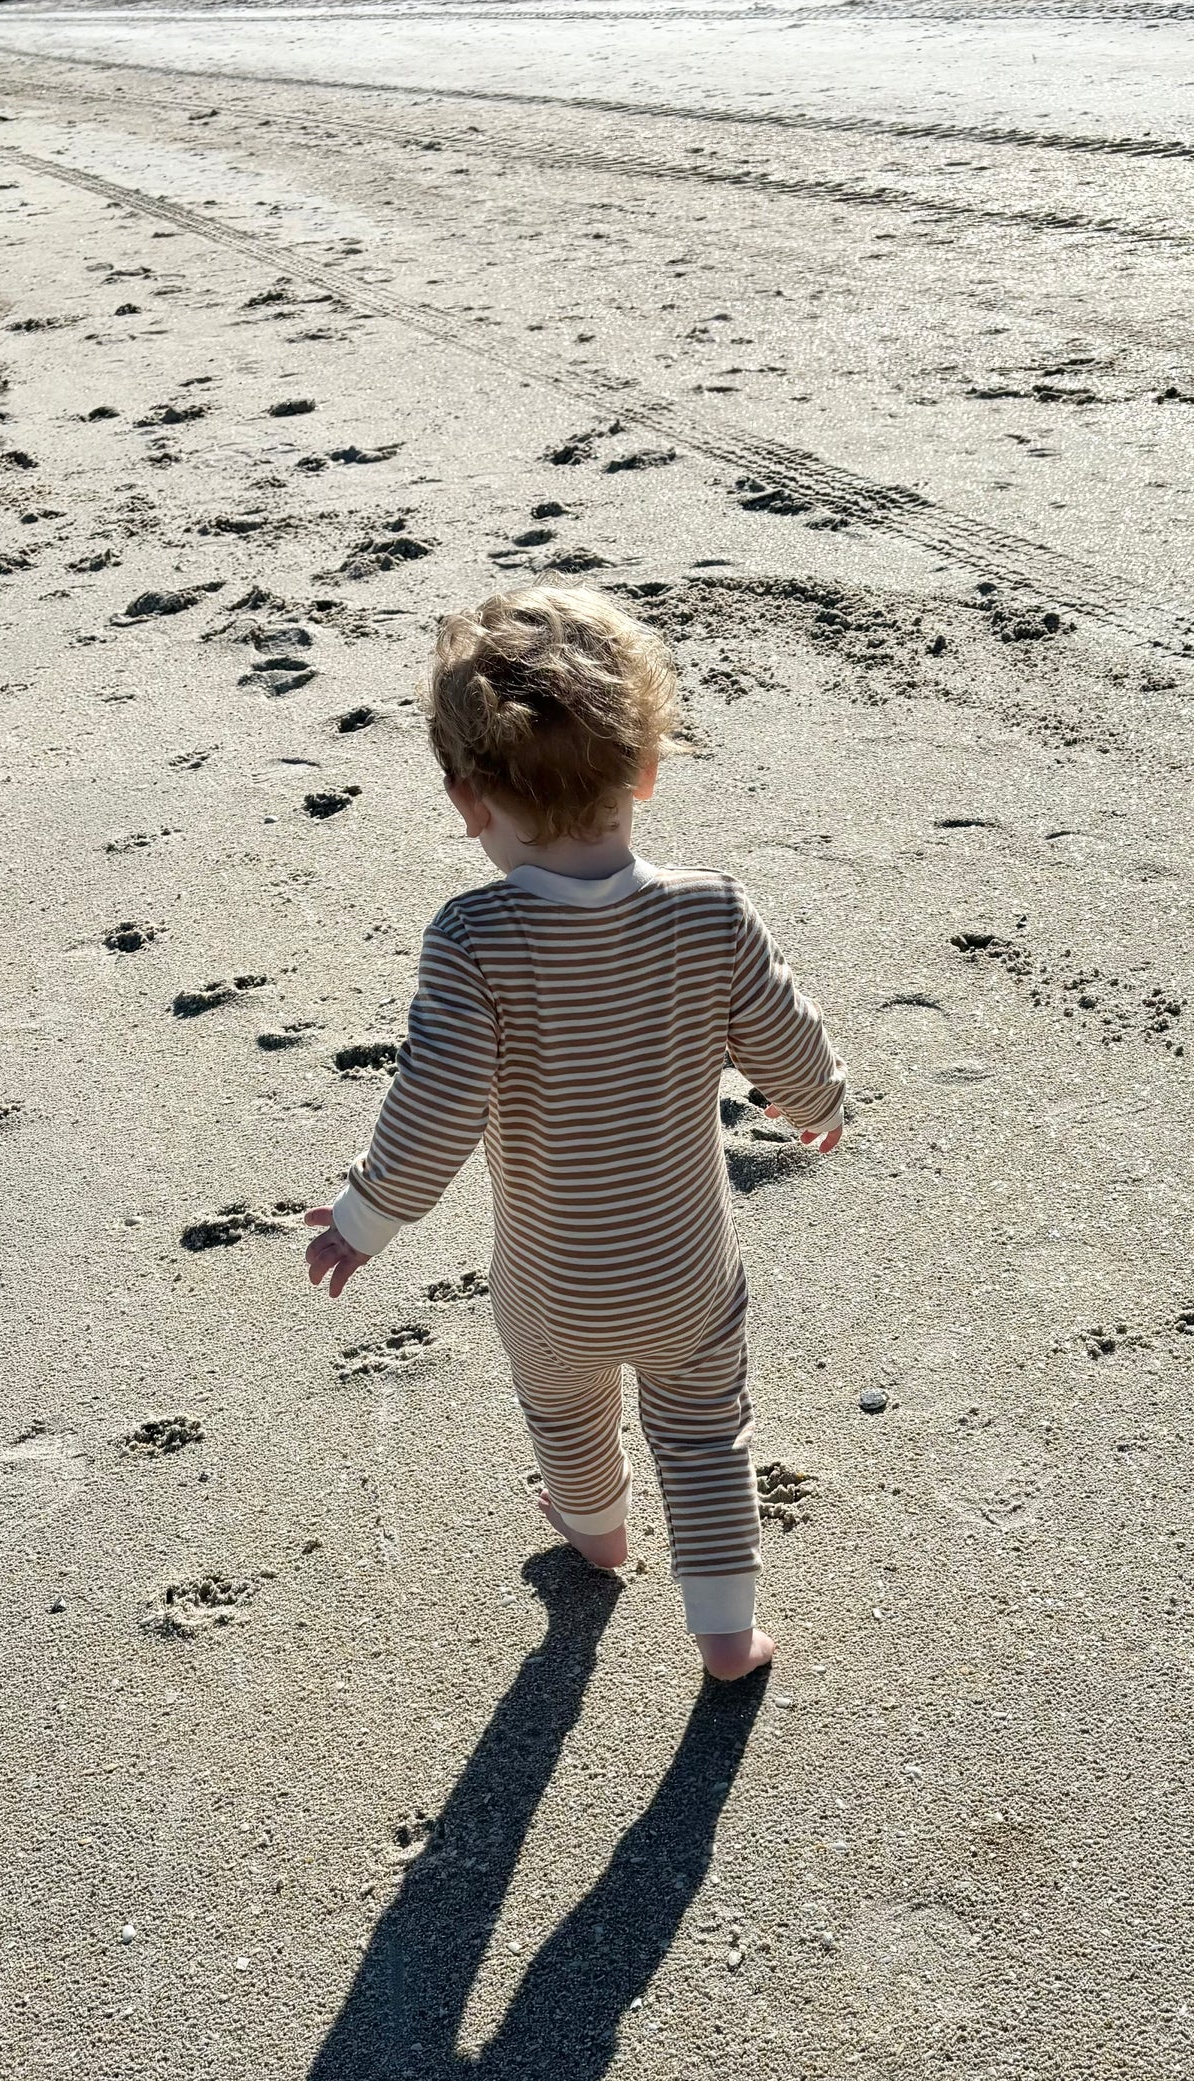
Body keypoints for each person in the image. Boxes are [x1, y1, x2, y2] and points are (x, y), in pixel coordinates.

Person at [304, 587, 845, 1680]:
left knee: (564, 1410)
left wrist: (362, 1217)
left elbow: (432, 1105)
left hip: (550, 1283)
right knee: (704, 1436)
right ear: (645, 769)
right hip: (687, 1274)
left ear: (466, 801)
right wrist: (819, 1104)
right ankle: (726, 1635)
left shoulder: (474, 937)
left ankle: (596, 1535)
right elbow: (782, 1043)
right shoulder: (709, 911)